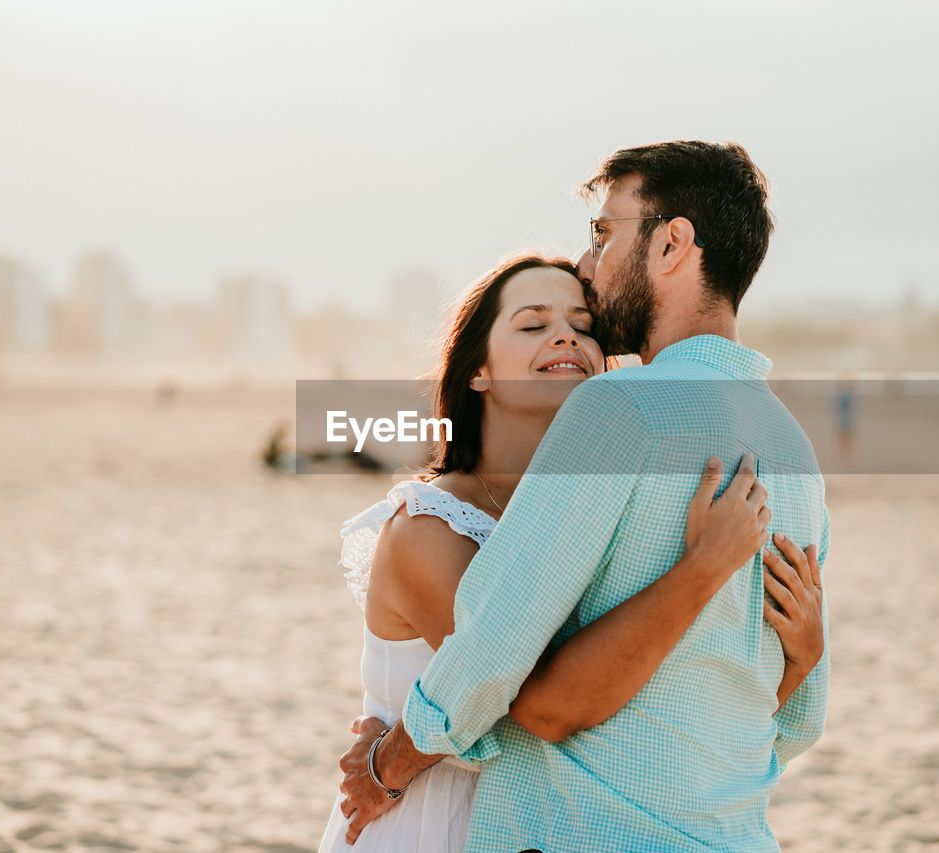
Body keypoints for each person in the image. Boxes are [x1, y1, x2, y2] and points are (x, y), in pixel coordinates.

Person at [339, 141, 832, 852]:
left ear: (671, 244)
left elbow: (494, 662)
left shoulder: (615, 408)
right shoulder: (795, 452)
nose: (589, 263)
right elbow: (796, 718)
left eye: (604, 234)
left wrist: (388, 765)